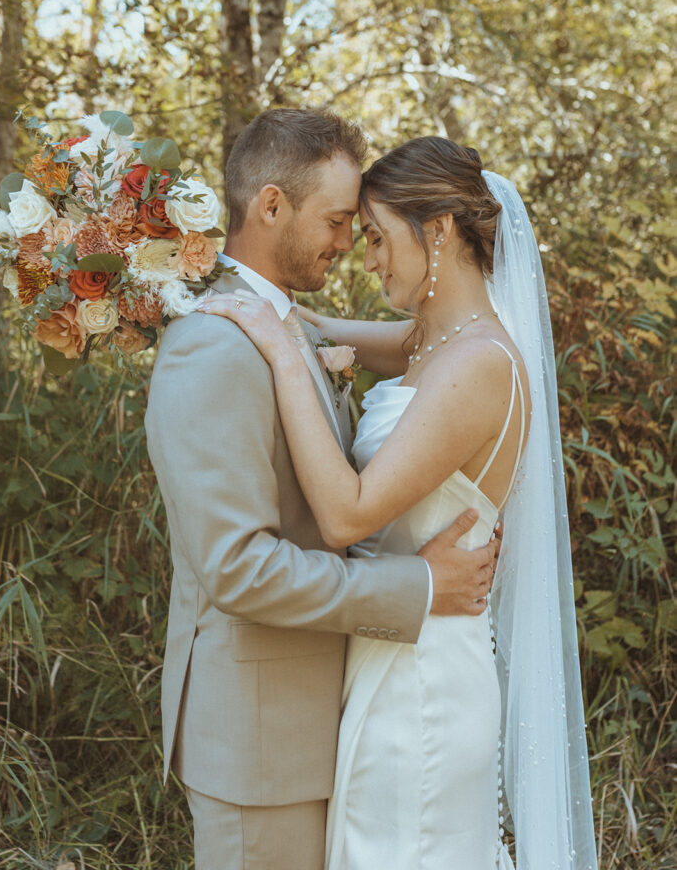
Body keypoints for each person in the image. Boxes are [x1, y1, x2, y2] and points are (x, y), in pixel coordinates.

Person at [198, 135, 598, 870]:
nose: (367, 255)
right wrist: (194, 288)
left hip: (424, 690)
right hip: (396, 652)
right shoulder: (431, 343)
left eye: (379, 236)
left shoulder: (476, 363)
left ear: (438, 229)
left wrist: (286, 359)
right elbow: (299, 321)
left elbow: (349, 515)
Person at [144, 110, 500, 870]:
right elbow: (238, 568)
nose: (349, 244)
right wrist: (419, 586)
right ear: (271, 206)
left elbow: (425, 342)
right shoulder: (213, 346)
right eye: (340, 221)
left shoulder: (283, 327)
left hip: (332, 719)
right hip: (260, 743)